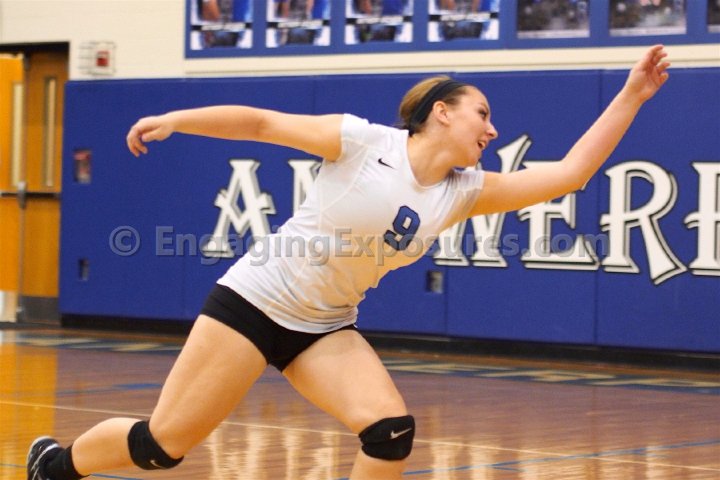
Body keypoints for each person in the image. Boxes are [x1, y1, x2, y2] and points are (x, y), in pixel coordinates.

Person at [27, 44, 670, 480]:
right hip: (253, 303)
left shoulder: (465, 191)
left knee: (390, 433)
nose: (492, 129)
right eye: (483, 114)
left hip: (325, 326)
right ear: (441, 112)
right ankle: (55, 465)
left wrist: (633, 95)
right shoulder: (364, 143)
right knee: (162, 446)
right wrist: (177, 118)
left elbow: (570, 174)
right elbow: (259, 124)